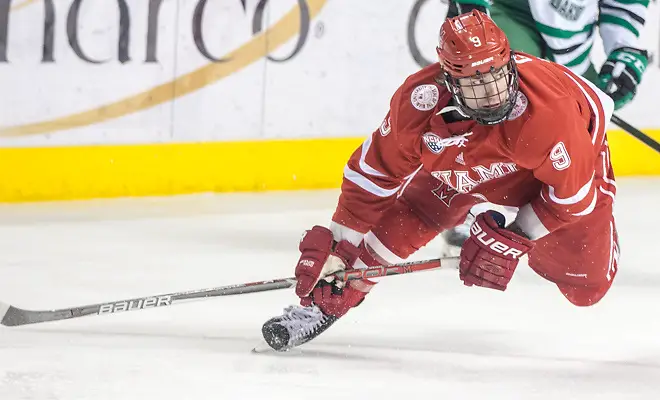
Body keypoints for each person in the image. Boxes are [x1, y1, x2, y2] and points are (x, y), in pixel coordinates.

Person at [261, 10, 618, 352]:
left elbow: (574, 198)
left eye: (496, 75)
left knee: (585, 287)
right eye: (476, 84)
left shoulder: (547, 116)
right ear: (449, 82)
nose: (493, 93)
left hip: (553, 168)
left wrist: (517, 236)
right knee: (417, 212)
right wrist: (340, 249)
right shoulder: (419, 102)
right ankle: (337, 294)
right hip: (470, 159)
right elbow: (373, 175)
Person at [441, 0, 648, 247]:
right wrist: (472, 12)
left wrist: (622, 47)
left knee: (583, 123)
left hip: (570, 37)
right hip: (509, 11)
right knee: (493, 90)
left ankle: (560, 221)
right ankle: (472, 206)